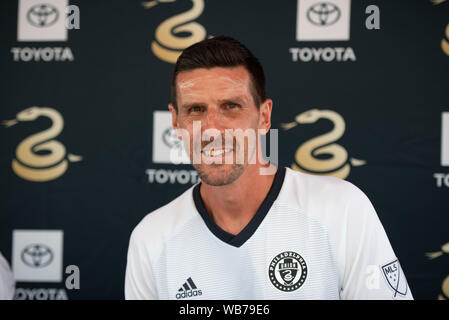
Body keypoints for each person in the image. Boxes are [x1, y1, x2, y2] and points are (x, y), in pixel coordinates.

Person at [125, 36, 413, 300]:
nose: (211, 129)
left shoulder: (341, 210)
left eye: (230, 106)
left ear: (263, 117)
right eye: (196, 110)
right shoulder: (151, 239)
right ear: (176, 122)